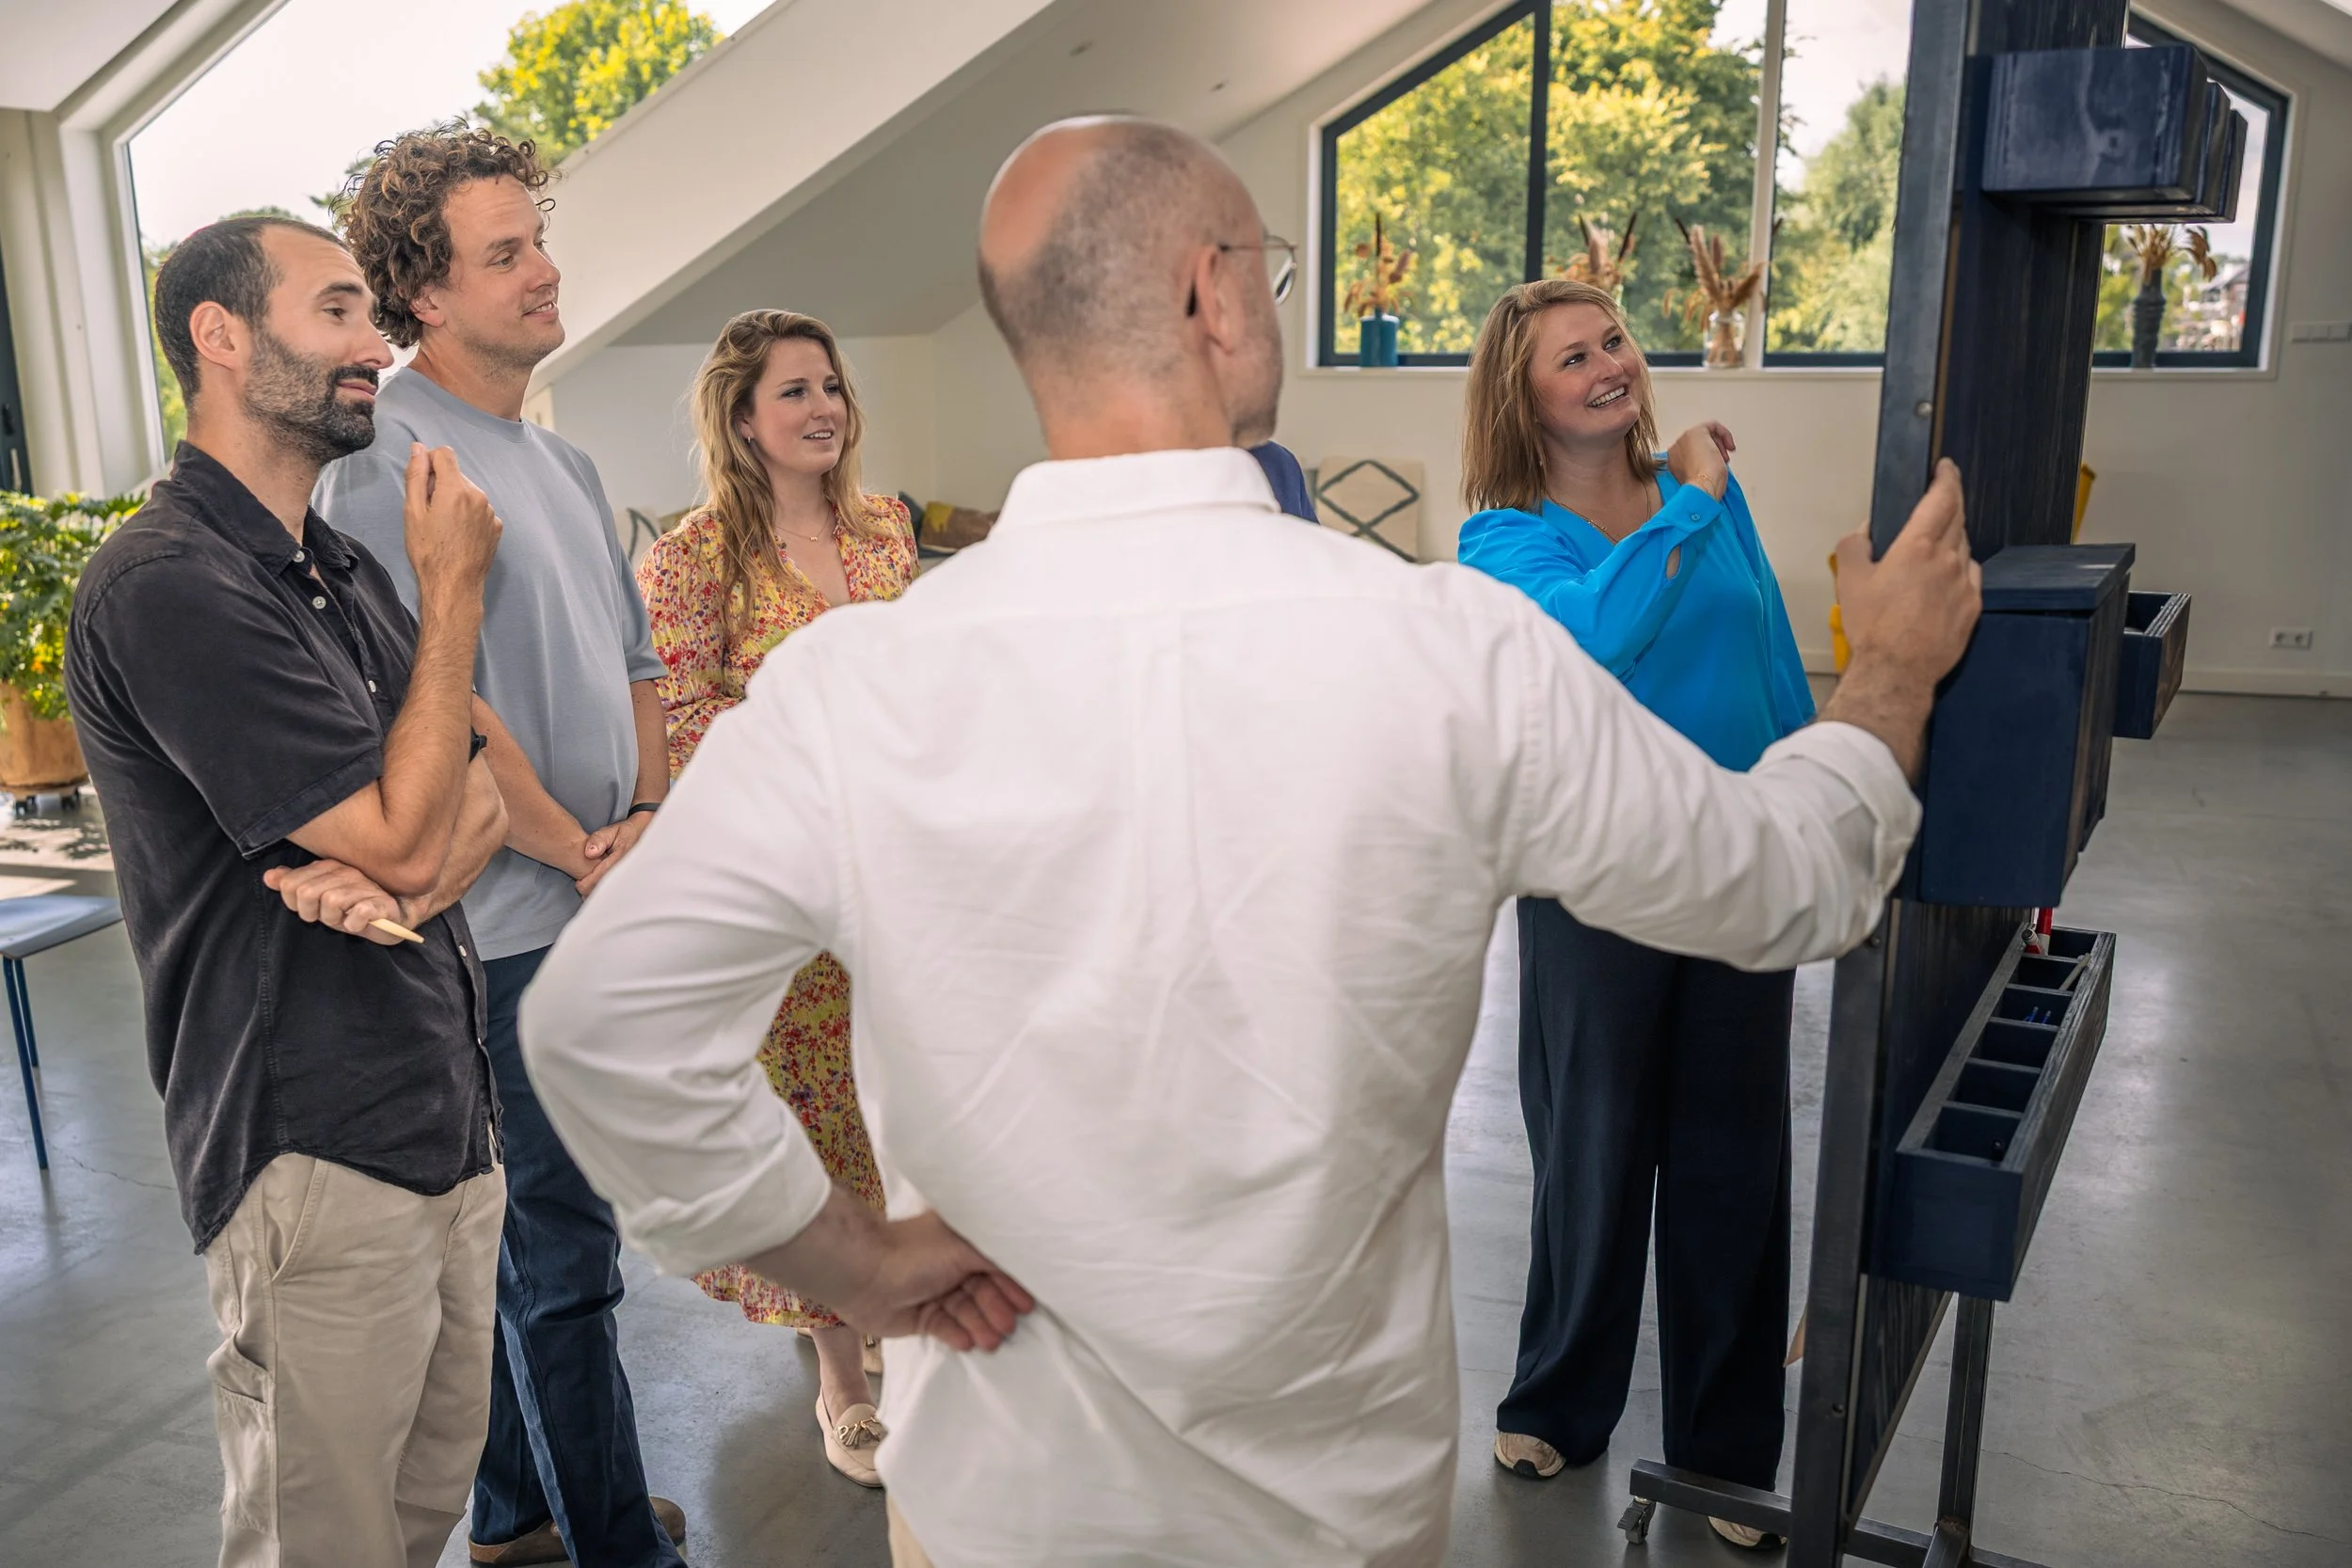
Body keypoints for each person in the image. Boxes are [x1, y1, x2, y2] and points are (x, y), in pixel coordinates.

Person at [518, 117, 1981, 1568]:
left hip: (997, 1511)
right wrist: (1893, 670)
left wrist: (858, 1263)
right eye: (1269, 273)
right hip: (1331, 1508)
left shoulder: (853, 684)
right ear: (1212, 294)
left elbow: (602, 1026)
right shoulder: (1442, 647)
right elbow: (1788, 881)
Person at [65, 214, 509, 1568]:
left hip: (445, 1110)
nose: (375, 346)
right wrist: (455, 602)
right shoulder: (165, 584)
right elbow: (402, 822)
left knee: (422, 1517)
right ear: (221, 335)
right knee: (323, 1541)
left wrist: (406, 871)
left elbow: (471, 796)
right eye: (336, 312)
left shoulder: (340, 566)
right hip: (310, 1146)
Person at [312, 126, 684, 1568]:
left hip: (592, 889)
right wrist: (573, 845)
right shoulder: (386, 452)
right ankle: (615, 1545)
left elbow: (640, 657)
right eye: (505, 253)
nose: (544, 272)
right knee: (563, 1259)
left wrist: (641, 817)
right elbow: (428, 691)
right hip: (502, 925)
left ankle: (521, 1511)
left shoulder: (566, 456)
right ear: (422, 291)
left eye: (537, 240)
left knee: (545, 1243)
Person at [1454, 277, 1815, 1549]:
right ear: (1525, 393)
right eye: (1575, 356)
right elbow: (1597, 631)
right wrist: (1701, 498)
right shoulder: (1505, 538)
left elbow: (1767, 644)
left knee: (1734, 1159)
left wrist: (1810, 802)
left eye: (1615, 340)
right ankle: (1561, 1396)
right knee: (1593, 1154)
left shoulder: (1702, 493)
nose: (1612, 364)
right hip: (1594, 883)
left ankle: (1725, 1450)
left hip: (1730, 866)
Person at [635, 309, 918, 1486]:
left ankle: (899, 1310)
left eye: (831, 387)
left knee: (897, 1106)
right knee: (812, 1118)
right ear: (740, 420)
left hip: (901, 877)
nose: (821, 410)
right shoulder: (691, 557)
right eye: (793, 392)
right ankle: (839, 1371)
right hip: (785, 885)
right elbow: (688, 718)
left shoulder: (884, 525)